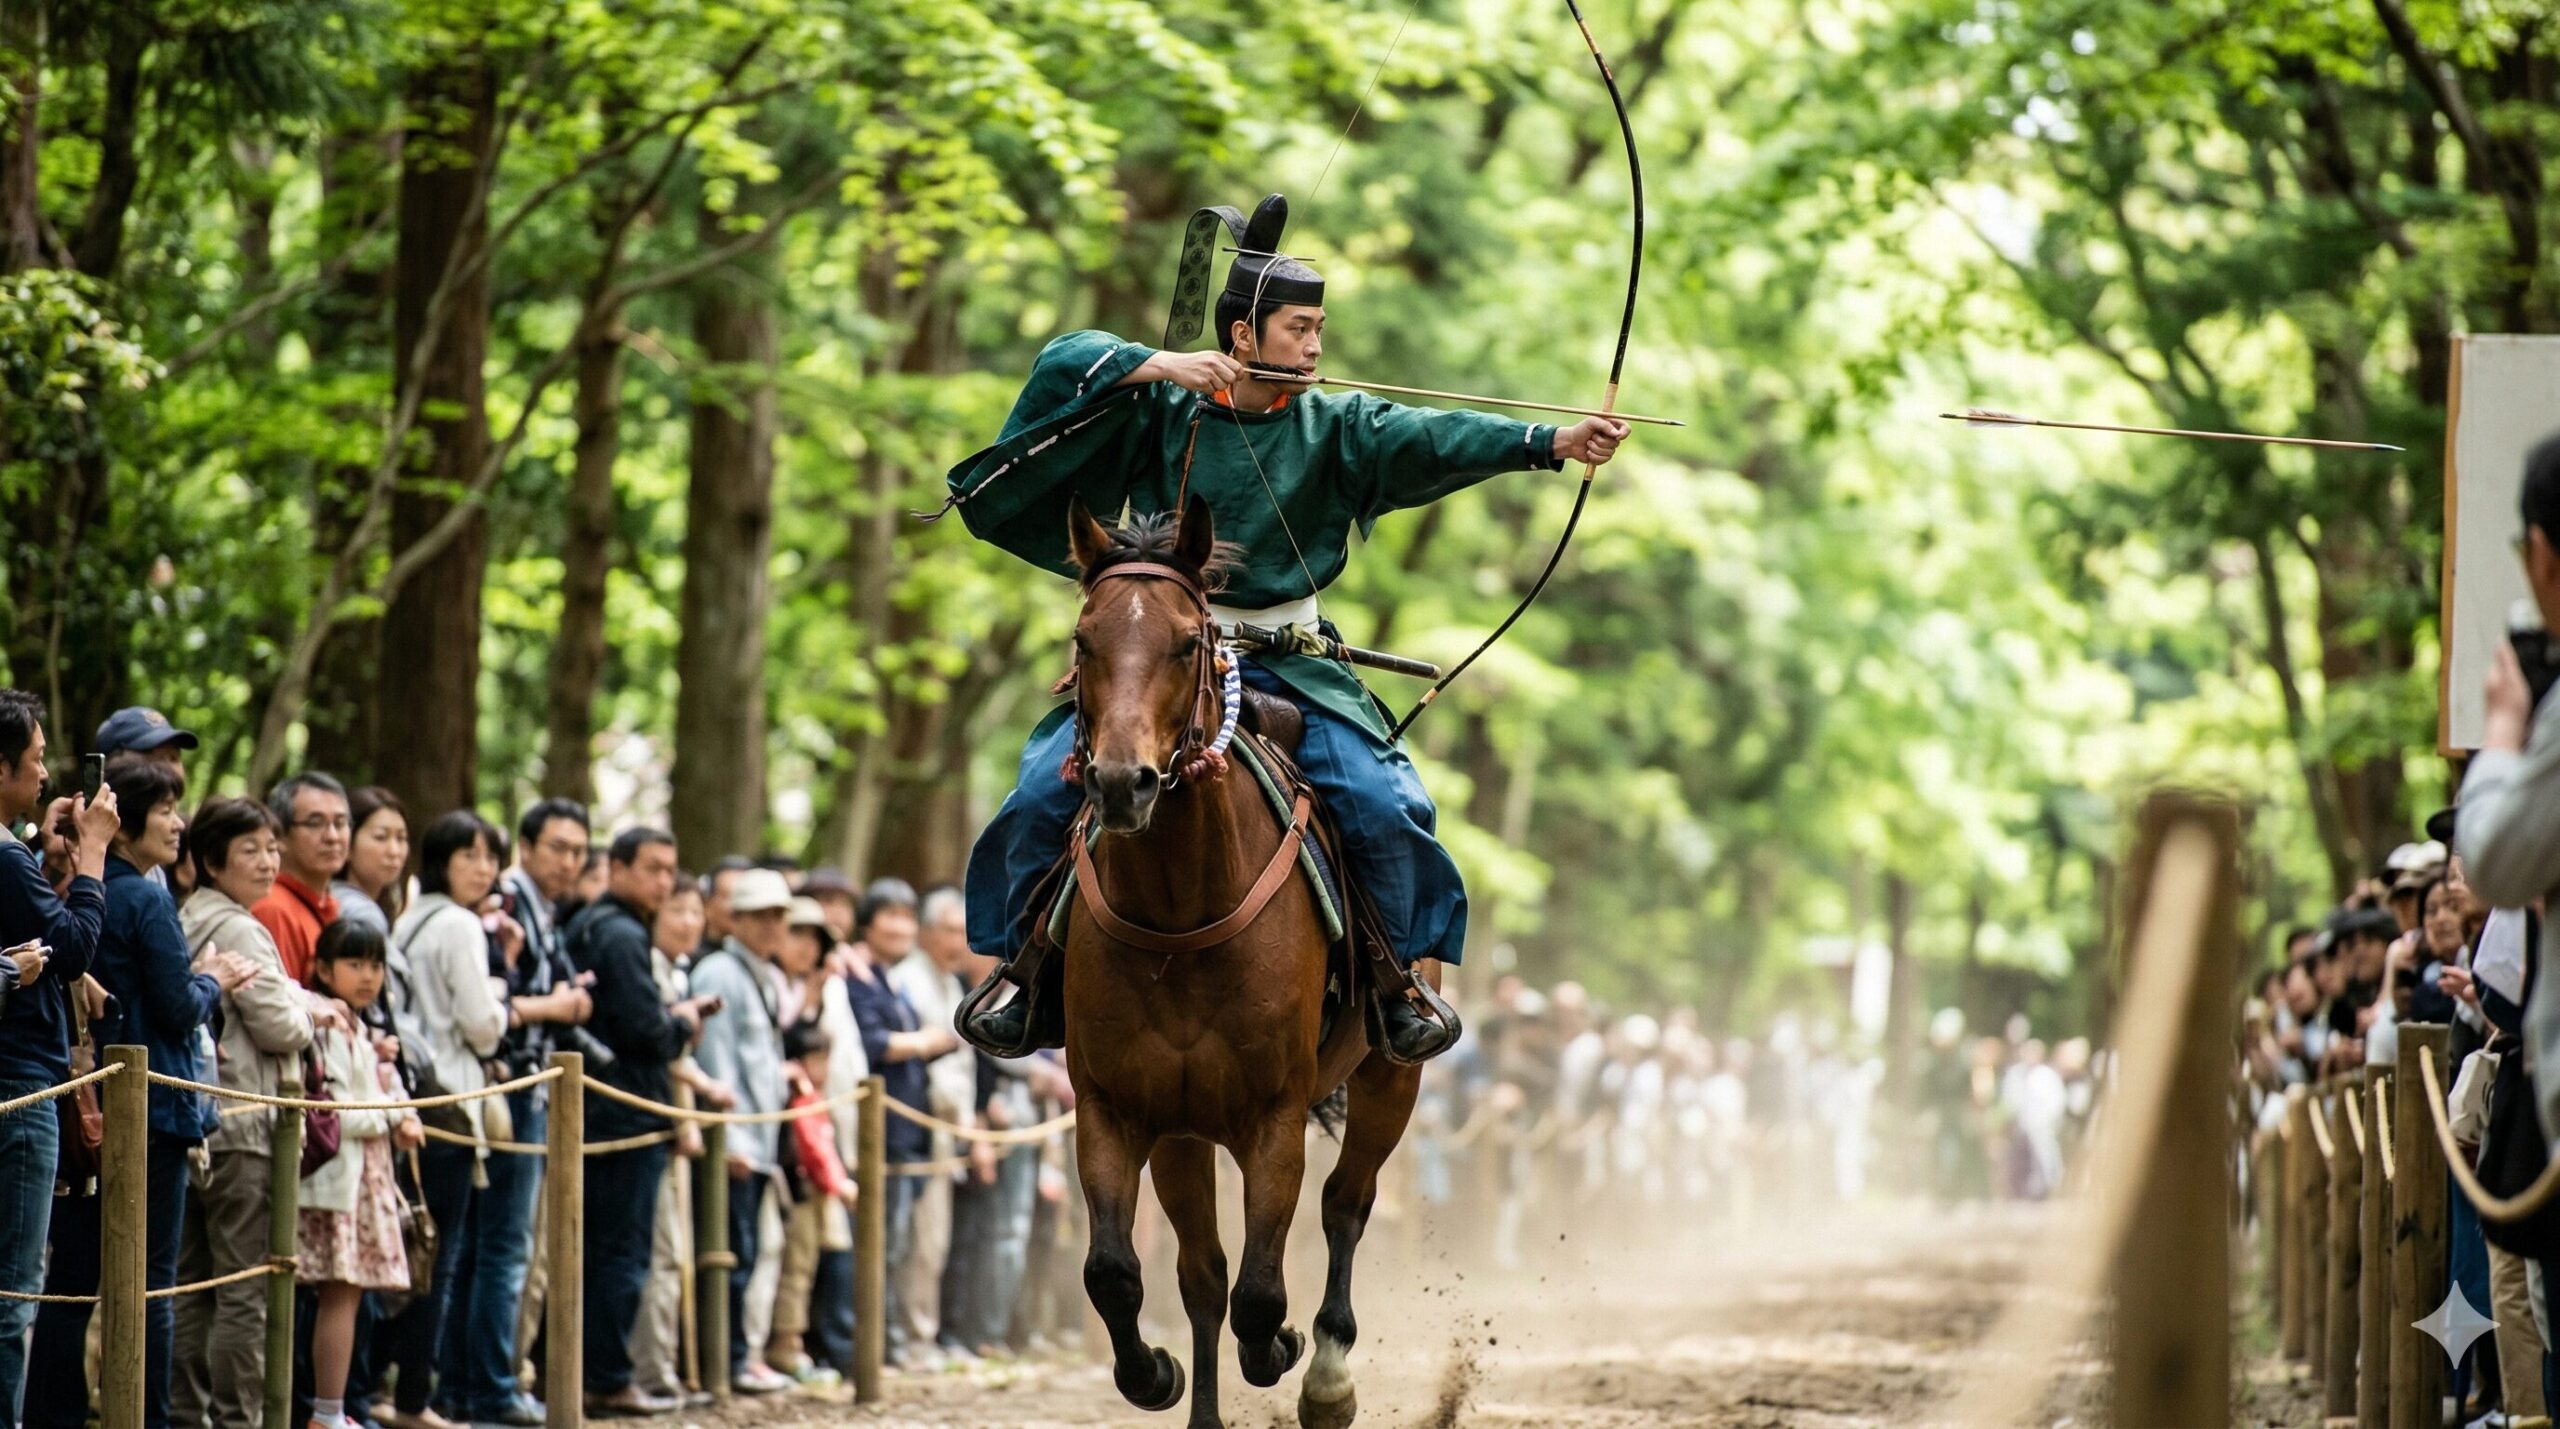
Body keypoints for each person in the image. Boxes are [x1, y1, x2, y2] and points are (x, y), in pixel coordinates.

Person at [946, 193, 1626, 1062]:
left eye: (1317, 329)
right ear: (1241, 338)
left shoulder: (1338, 425)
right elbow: (1064, 362)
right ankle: (1023, 975)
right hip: (1159, 663)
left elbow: (1436, 436)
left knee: (1390, 804)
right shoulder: (1159, 411)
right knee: (1043, 788)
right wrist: (1158, 365)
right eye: (1299, 328)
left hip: (1291, 663)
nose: (1313, 346)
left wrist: (1553, 439)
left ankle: (1393, 986)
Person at [28, 757, 241, 1429]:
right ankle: (143, 1417)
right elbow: (178, 1007)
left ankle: (54, 1413)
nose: (178, 823)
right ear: (124, 823)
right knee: (151, 1283)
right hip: (153, 1108)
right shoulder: (147, 897)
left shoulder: (82, 887)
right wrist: (214, 980)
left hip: (87, 1109)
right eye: (167, 809)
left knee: (75, 1279)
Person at [173, 796, 319, 1429]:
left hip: (201, 1124)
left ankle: (185, 1413)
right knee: (242, 1290)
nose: (267, 862)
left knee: (191, 1285)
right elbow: (282, 1025)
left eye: (271, 848)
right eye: (251, 850)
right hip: (245, 1124)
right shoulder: (235, 926)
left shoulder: (187, 916)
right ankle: (240, 1419)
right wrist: (313, 1010)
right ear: (211, 861)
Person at [446, 799, 592, 1428]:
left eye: (579, 851)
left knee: (496, 1245)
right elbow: (499, 1004)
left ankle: (471, 1385)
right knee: (502, 1245)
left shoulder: (544, 910)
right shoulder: (504, 905)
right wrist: (557, 1006)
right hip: (508, 1086)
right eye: (558, 847)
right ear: (526, 847)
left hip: (527, 1088)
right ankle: (490, 1388)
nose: (570, 861)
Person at [566, 827, 715, 1416]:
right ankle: (607, 1377)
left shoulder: (585, 923)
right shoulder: (622, 935)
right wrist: (681, 1021)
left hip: (603, 1113)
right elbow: (645, 1032)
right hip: (624, 1116)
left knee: (600, 1251)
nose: (661, 881)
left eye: (669, 869)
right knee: (621, 1254)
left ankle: (591, 1372)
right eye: (651, 869)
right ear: (618, 868)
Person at [0, 688, 113, 1417]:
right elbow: (69, 948)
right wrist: (96, 852)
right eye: (36, 760)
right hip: (21, 1088)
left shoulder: (13, 855)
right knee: (13, 1293)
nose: (44, 775)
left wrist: (44, 853)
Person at [385, 812, 513, 1429]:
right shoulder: (460, 924)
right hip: (453, 1105)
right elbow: (482, 1025)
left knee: (409, 1251)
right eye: (471, 855)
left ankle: (397, 1389)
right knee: (440, 1255)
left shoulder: (408, 920)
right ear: (442, 859)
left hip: (411, 1098)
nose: (484, 868)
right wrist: (502, 998)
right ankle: (415, 1398)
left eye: (491, 856)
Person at [298, 921, 423, 1429]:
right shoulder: (326, 1025)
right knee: (337, 1295)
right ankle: (326, 1412)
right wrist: (393, 1113)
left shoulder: (359, 1028)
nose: (368, 976)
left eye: (375, 965)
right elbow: (340, 1111)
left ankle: (333, 1409)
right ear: (325, 969)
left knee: (345, 1297)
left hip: (358, 1179)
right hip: (337, 1182)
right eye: (355, 964)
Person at [843, 884, 961, 1368]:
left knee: (900, 1246)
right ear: (867, 923)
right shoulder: (857, 977)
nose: (898, 927)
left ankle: (890, 1344)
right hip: (880, 1131)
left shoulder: (886, 977)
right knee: (877, 1247)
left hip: (911, 1131)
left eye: (905, 917)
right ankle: (871, 1348)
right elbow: (872, 1044)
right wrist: (925, 1041)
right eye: (888, 916)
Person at [685, 867, 793, 1394]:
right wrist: (728, 1139)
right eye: (762, 915)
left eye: (779, 915)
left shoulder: (762, 974)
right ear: (738, 919)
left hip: (760, 1140)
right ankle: (722, 1363)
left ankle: (737, 1357)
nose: (773, 926)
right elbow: (717, 1062)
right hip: (736, 1143)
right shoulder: (721, 974)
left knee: (749, 1253)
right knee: (729, 1253)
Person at [259, 772, 349, 984]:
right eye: (315, 823)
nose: (333, 837)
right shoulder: (273, 909)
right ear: (280, 836)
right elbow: (282, 1007)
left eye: (341, 823)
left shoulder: (326, 902)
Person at [335, 787, 411, 937]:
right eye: (380, 837)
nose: (394, 851)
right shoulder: (357, 912)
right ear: (347, 843)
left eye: (401, 838)